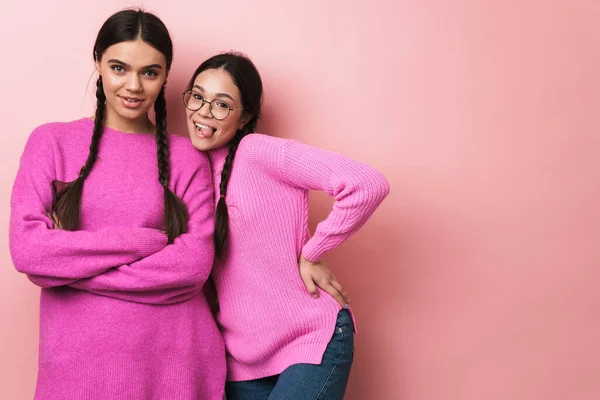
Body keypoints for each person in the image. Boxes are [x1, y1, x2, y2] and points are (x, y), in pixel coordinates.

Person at [9, 9, 224, 399]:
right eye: (119, 67)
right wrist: (144, 242)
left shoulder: (187, 157)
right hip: (77, 367)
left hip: (175, 363)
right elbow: (29, 251)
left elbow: (194, 265)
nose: (134, 85)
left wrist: (70, 270)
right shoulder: (51, 143)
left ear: (165, 76)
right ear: (98, 63)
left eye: (150, 72)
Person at [183, 52, 391, 399]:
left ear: (245, 115)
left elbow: (366, 183)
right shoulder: (188, 172)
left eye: (221, 104)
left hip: (308, 339)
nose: (204, 111)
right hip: (242, 358)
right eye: (197, 96)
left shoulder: (258, 152)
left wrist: (312, 253)